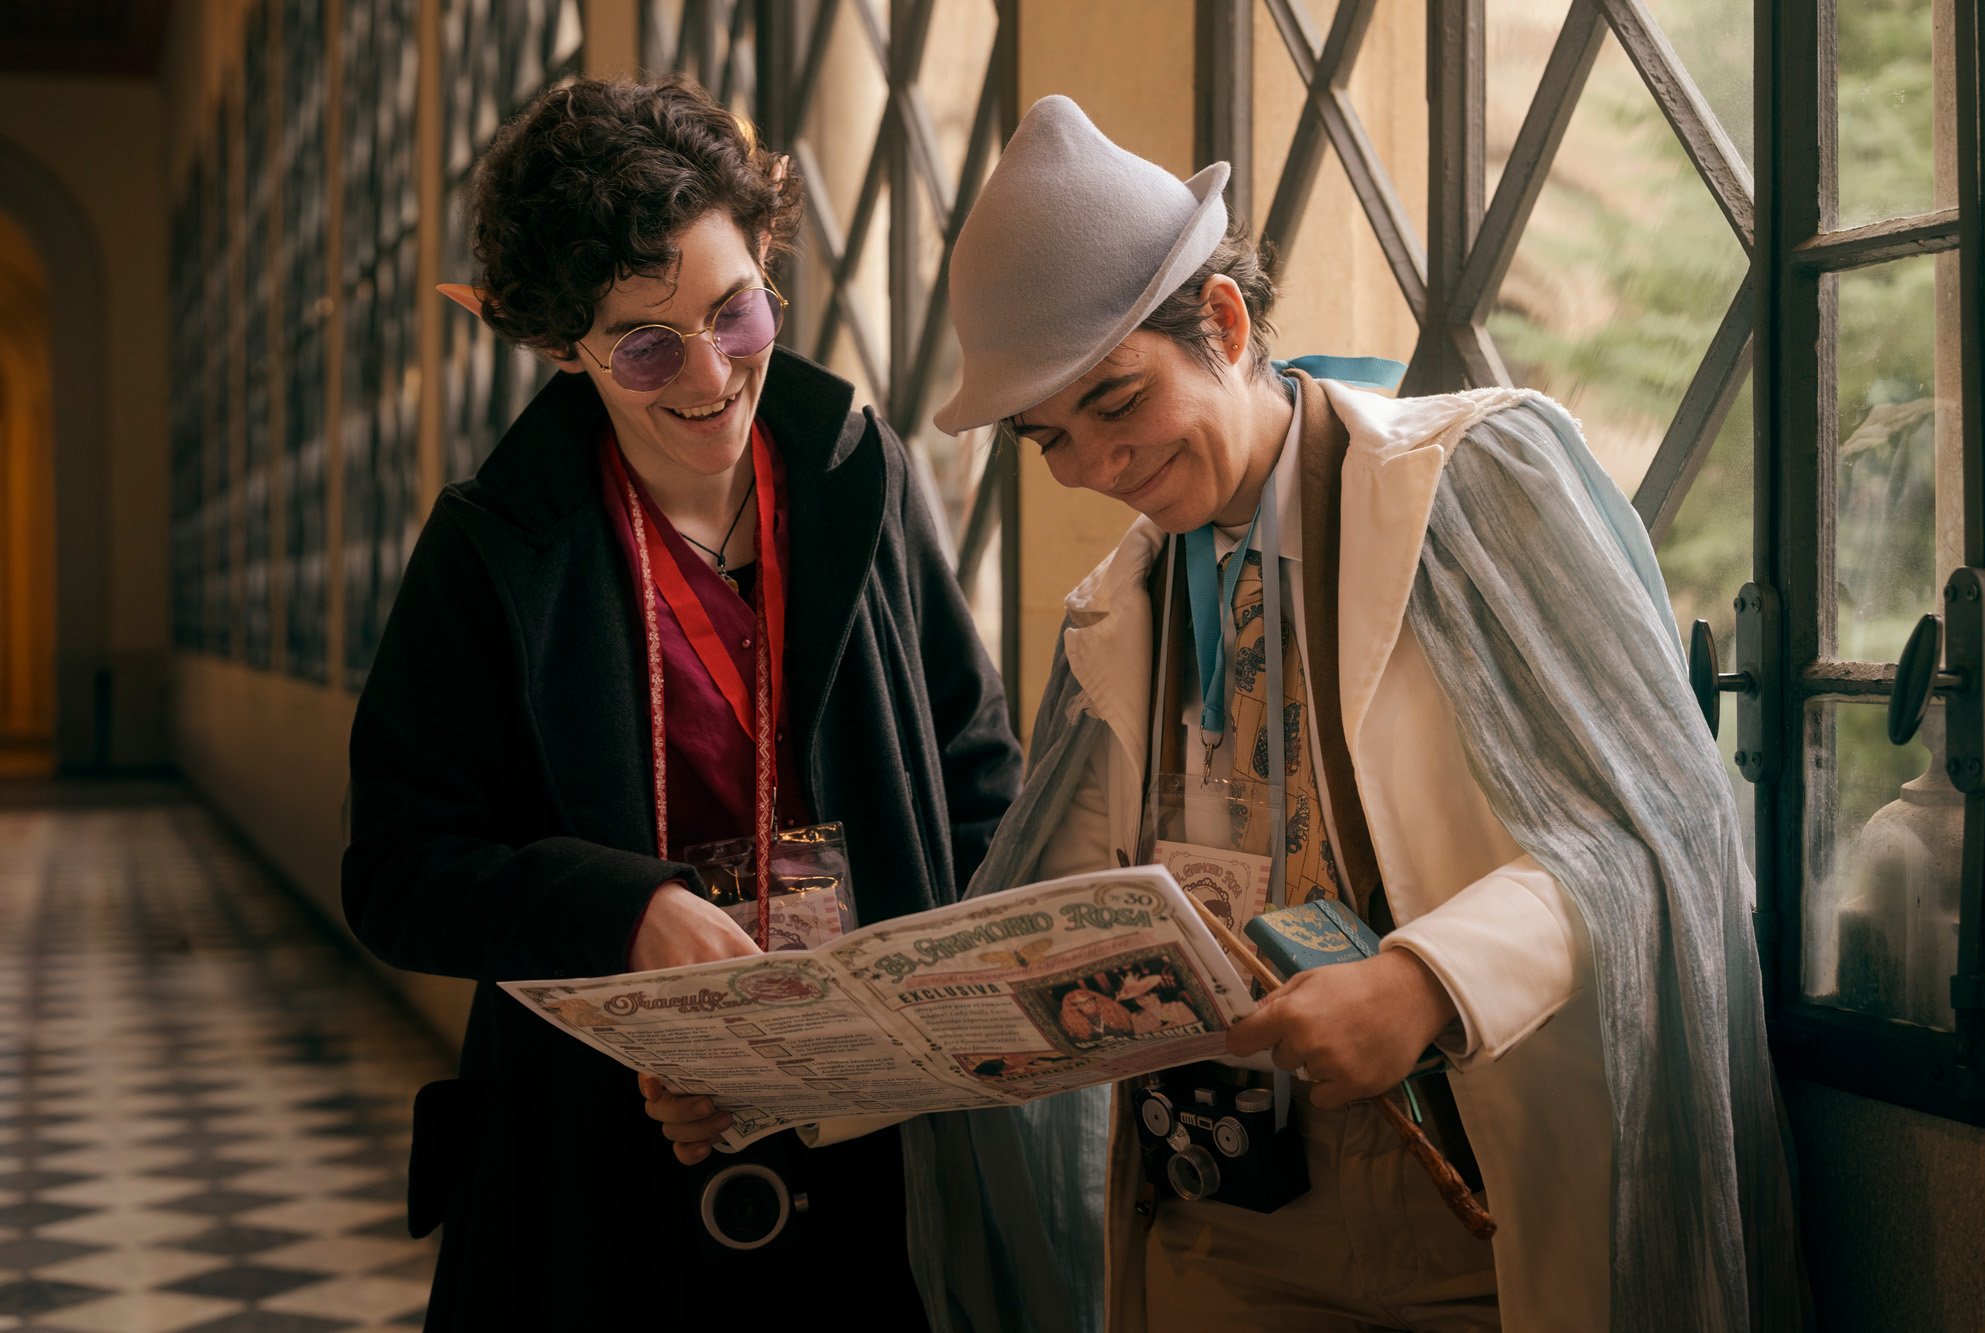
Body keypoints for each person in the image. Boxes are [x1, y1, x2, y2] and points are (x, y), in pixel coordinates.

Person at [916, 95, 1804, 1331]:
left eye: (1114, 403)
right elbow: (1045, 928)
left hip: (1460, 1190)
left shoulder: (1470, 486)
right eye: (1045, 437)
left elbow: (1657, 829)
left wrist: (1424, 983)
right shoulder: (1114, 606)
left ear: (1222, 324)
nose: (1095, 469)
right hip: (1205, 1210)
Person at [340, 76, 1020, 1330]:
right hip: (600, 1166)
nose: (709, 376)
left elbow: (976, 777)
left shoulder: (857, 473)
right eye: (646, 345)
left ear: (767, 259)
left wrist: (974, 1016)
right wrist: (621, 905)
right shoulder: (498, 545)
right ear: (560, 346)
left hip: (875, 1130)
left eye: (736, 311)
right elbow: (393, 870)